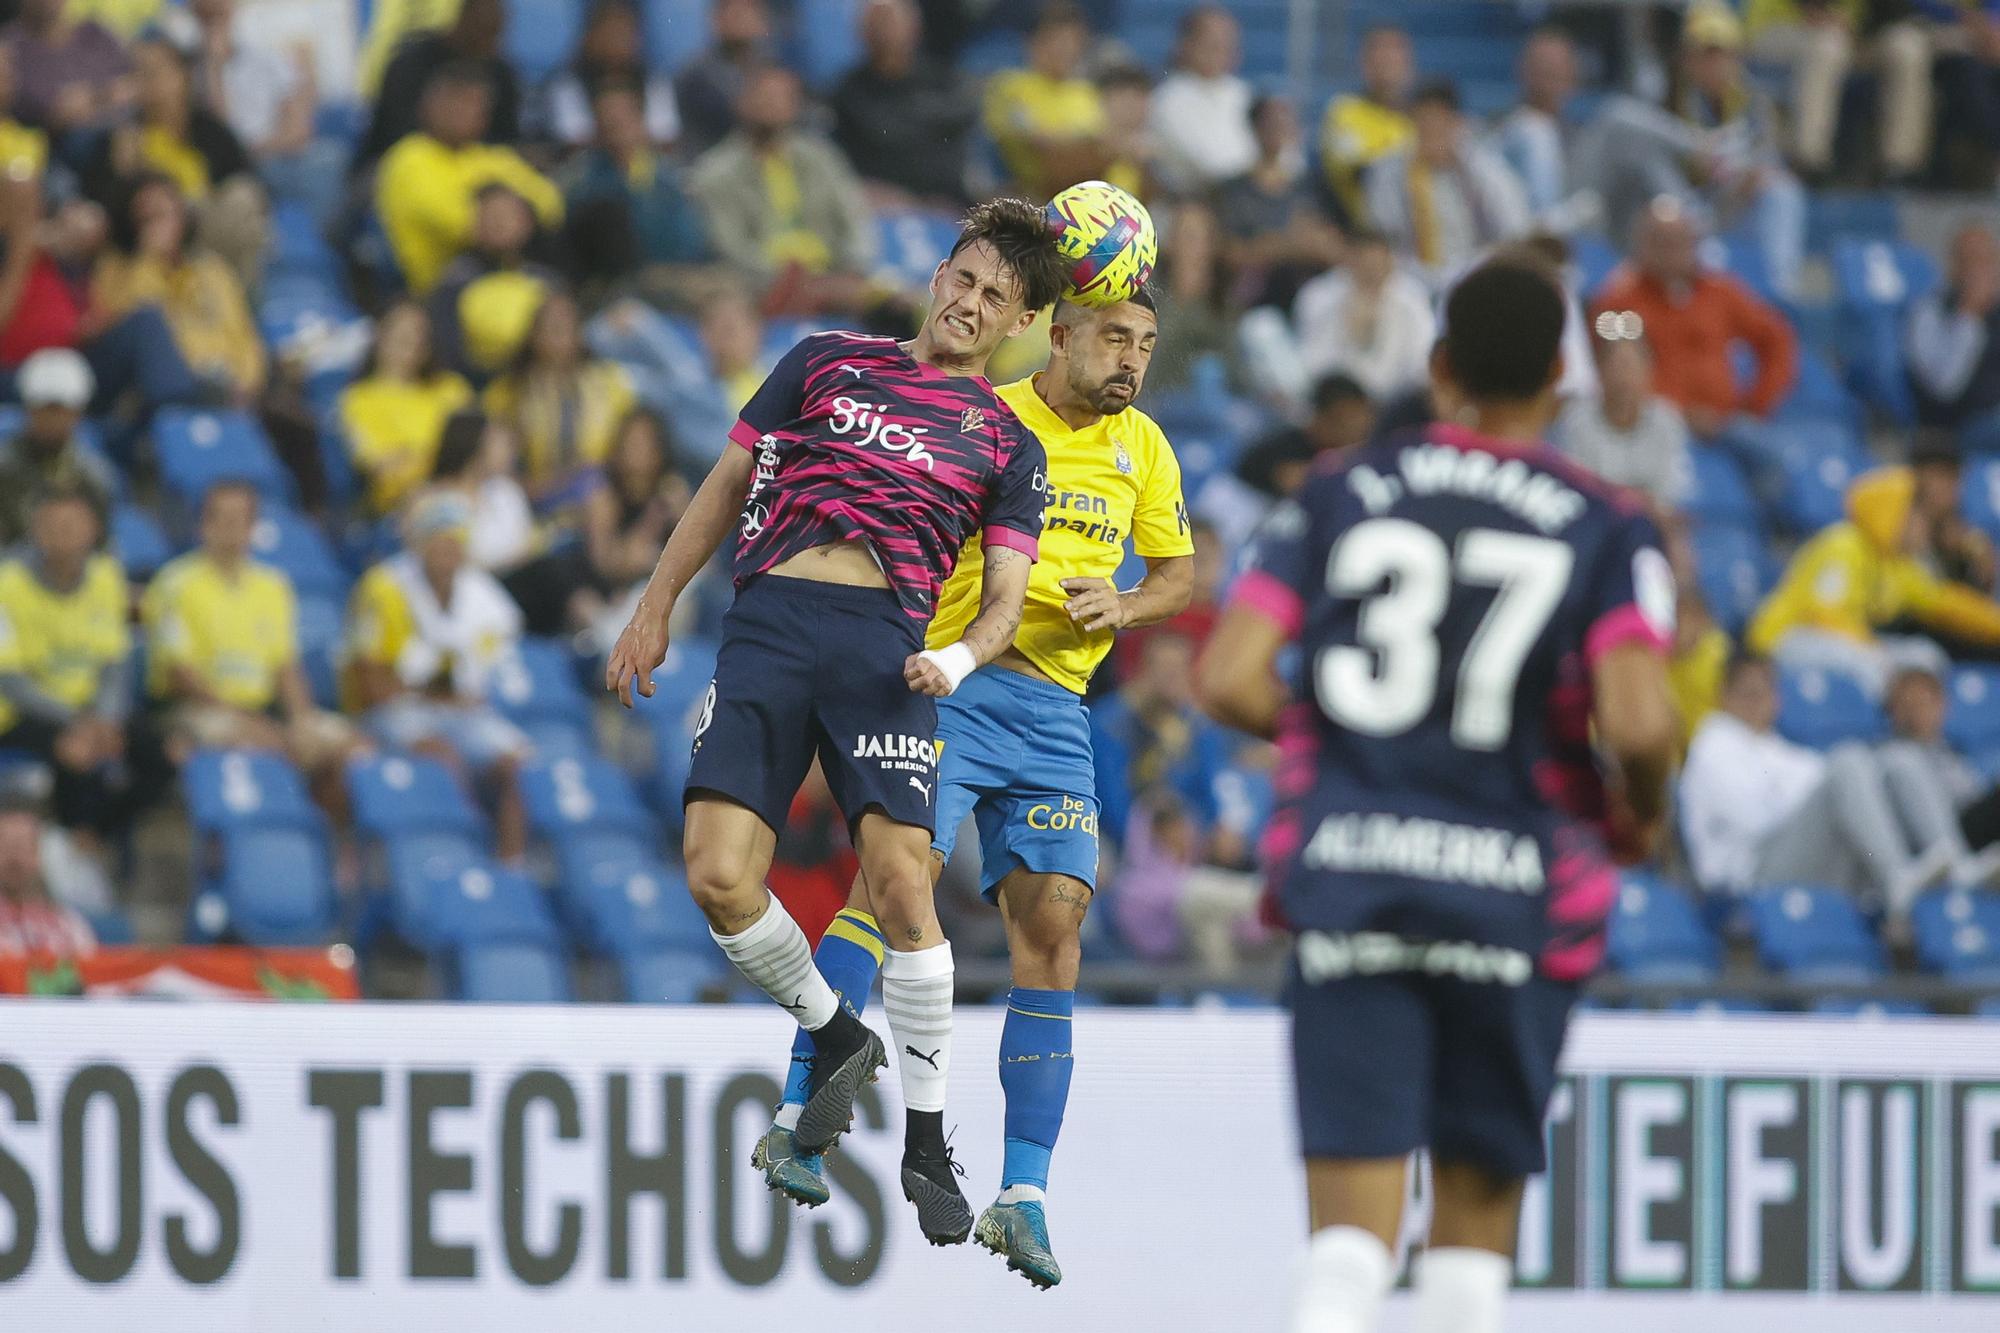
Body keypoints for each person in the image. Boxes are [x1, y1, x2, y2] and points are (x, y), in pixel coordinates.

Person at [1194, 257, 1678, 1333]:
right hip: (1515, 891)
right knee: (1469, 1250)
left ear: (1439, 365)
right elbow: (1640, 722)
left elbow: (1225, 676)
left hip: (1356, 876)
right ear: (1561, 374)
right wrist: (1636, 807)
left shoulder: (1334, 489)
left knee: (1344, 1247)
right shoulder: (1602, 522)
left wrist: (1338, 729)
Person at [604, 198, 1064, 1248]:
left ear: (1016, 323)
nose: (968, 302)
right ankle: (837, 1031)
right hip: (767, 626)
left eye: (995, 297)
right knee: (716, 876)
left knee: (905, 887)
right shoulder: (821, 359)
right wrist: (654, 602)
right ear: (937, 273)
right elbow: (726, 482)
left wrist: (957, 656)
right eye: (962, 278)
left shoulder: (1006, 441)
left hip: (884, 651)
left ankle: (926, 1137)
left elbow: (1004, 596)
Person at [749, 289, 1193, 1285]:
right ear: (1062, 335)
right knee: (893, 887)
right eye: (1114, 338)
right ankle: (794, 1122)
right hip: (948, 682)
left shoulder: (1145, 448)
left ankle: (1022, 1194)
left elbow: (1179, 573)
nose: (1130, 360)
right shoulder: (987, 418)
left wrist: (1120, 600)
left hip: (1056, 711)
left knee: (1057, 930)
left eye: (1146, 345)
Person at [1680, 651, 1973, 920]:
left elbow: (1823, 791)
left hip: (1807, 862)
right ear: (1725, 696)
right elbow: (1756, 821)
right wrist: (1814, 799)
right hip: (1751, 878)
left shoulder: (1778, 747)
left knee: (1899, 760)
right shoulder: (1713, 742)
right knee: (1848, 761)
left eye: (1765, 691)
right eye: (1748, 692)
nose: (1758, 700)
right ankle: (1895, 877)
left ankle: (1958, 866)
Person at [343, 489, 532, 862]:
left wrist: (434, 690)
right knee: (443, 758)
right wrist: (430, 691)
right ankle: (463, 858)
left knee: (517, 764)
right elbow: (371, 685)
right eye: (437, 542)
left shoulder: (481, 595)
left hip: (454, 710)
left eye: (453, 543)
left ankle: (510, 871)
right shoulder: (385, 588)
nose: (446, 553)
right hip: (394, 712)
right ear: (420, 544)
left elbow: (482, 683)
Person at [1587, 4, 1808, 300]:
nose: (1713, 64)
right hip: (1666, 210)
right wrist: (1696, 150)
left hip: (1723, 205)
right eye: (1704, 53)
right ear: (1686, 58)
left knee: (1783, 192)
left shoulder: (1754, 105)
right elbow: (1629, 136)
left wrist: (1749, 178)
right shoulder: (1663, 95)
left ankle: (1780, 291)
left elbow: (1765, 163)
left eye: (1722, 54)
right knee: (1656, 171)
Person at [141, 480, 358, 776]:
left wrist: (302, 720)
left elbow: (286, 667)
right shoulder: (174, 583)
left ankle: (317, 821)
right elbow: (181, 676)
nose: (233, 527)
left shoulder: (273, 586)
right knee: (254, 742)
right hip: (195, 709)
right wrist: (249, 722)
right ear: (203, 525)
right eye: (223, 518)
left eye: (242, 519)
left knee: (352, 747)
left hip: (263, 709)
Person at [0, 487, 172, 840]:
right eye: (55, 524)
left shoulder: (107, 578)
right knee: (75, 750)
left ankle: (94, 837)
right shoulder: (7, 583)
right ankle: (69, 841)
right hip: (23, 714)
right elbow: (11, 682)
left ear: (93, 529)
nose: (65, 533)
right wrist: (80, 722)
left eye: (74, 524)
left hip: (90, 709)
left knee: (162, 756)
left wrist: (105, 719)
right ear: (36, 529)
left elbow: (116, 662)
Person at [1749, 453, 2000, 693]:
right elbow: (1824, 615)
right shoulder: (1844, 543)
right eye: (1920, 517)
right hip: (1783, 639)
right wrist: (1874, 648)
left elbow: (1947, 604)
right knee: (1871, 663)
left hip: (1845, 643)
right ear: (1894, 513)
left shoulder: (1899, 566)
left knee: (1926, 655)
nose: (1926, 529)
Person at [1591, 198, 1797, 438]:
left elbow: (1776, 339)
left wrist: (1755, 405)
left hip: (1725, 426)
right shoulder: (1621, 301)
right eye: (1660, 242)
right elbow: (1611, 367)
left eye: (1679, 241)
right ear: (1641, 245)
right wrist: (1672, 413)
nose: (1670, 252)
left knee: (1775, 460)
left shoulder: (1722, 293)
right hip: (1649, 429)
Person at [687, 63, 877, 314]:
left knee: (905, 302)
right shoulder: (713, 173)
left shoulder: (822, 159)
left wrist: (853, 267)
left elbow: (855, 219)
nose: (771, 105)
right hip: (759, 286)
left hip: (832, 277)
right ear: (741, 103)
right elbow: (728, 247)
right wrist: (790, 280)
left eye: (781, 98)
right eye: (763, 97)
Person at [82, 32, 265, 286]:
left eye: (156, 71)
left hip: (206, 229)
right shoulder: (122, 137)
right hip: (150, 234)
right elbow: (107, 210)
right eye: (140, 73)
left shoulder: (211, 131)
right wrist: (126, 169)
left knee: (243, 199)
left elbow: (244, 182)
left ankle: (236, 305)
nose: (149, 82)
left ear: (184, 75)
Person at [375, 61, 562, 296]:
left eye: (474, 104)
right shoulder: (409, 158)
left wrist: (511, 217)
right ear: (430, 104)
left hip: (513, 282)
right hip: (442, 290)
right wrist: (506, 217)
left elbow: (551, 202)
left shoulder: (493, 157)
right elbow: (455, 222)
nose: (465, 112)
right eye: (457, 102)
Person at [92, 173, 264, 403]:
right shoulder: (114, 269)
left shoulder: (213, 270)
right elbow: (133, 324)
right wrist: (149, 258)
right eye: (149, 218)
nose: (161, 226)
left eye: (167, 213)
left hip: (230, 389)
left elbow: (242, 335)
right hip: (162, 391)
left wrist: (246, 384)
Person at [560, 75, 713, 302]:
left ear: (641, 119)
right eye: (606, 116)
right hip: (610, 285)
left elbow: (691, 242)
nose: (615, 123)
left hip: (670, 276)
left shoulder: (672, 178)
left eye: (623, 115)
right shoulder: (580, 180)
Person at [481, 289, 636, 510]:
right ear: (534, 335)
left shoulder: (609, 382)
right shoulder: (510, 392)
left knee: (597, 489)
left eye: (567, 325)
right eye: (551, 326)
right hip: (536, 490)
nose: (560, 333)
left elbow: (630, 444)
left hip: (602, 484)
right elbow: (495, 460)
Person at [1744, 0, 1932, 183]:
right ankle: (1810, 159)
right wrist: (1824, 14)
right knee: (1826, 48)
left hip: (1850, 35)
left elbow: (1894, 13)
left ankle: (1900, 164)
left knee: (1907, 47)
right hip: (1783, 25)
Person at [1366, 80, 1532, 285]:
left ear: (1457, 124)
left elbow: (1514, 231)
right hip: (1410, 280)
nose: (1431, 134)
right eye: (1423, 124)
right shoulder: (1389, 174)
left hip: (1478, 278)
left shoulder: (1488, 172)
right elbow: (1382, 240)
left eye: (1438, 124)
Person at [829, 0, 977, 208]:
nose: (884, 31)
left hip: (945, 203)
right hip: (880, 205)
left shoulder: (944, 81)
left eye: (891, 21)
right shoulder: (848, 91)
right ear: (861, 33)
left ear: (915, 28)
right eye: (877, 22)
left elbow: (962, 120)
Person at [339, 299, 474, 515]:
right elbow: (382, 469)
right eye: (402, 331)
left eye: (420, 333)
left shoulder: (451, 388)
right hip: (405, 505)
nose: (413, 339)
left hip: (469, 490)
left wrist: (411, 454)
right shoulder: (358, 399)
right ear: (381, 335)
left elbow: (480, 446)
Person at [354, 0, 519, 174]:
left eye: (494, 33)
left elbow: (508, 137)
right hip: (394, 164)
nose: (486, 41)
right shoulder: (412, 63)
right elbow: (398, 134)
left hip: (475, 167)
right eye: (480, 29)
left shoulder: (500, 71)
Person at [1217, 95, 1346, 312]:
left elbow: (1338, 247)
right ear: (1254, 128)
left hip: (1311, 302)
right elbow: (1228, 253)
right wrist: (1291, 244)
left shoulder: (1312, 186)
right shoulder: (1234, 190)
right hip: (1255, 305)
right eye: (1271, 123)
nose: (1278, 129)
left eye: (1285, 122)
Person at [1554, 317, 1692, 517]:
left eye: (1632, 365)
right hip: (1595, 521)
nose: (1624, 375)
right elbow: (1576, 490)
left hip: (1650, 520)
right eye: (1617, 365)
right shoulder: (1576, 421)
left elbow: (1675, 491)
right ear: (1600, 371)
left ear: (1649, 370)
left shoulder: (1667, 420)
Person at [427, 183, 562, 380]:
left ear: (526, 223)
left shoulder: (548, 281)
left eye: (507, 216)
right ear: (475, 226)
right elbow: (449, 352)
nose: (500, 224)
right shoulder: (455, 281)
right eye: (491, 217)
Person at [1291, 228, 1436, 402]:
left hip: (1398, 401)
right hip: (1338, 401)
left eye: (1378, 266)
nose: (1372, 275)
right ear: (1349, 262)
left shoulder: (1411, 296)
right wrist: (1349, 328)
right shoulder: (1317, 297)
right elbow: (1311, 365)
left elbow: (1422, 362)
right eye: (1365, 267)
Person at [982, 2, 1108, 200]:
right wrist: (1079, 144)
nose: (1067, 50)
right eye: (1059, 41)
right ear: (1034, 43)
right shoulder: (1010, 86)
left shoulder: (1085, 93)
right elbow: (1037, 143)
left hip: (1083, 195)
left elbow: (1100, 146)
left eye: (1074, 42)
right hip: (1022, 194)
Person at [0, 349, 111, 545]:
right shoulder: (4, 469)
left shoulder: (93, 477)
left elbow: (101, 550)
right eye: (44, 409)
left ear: (78, 413)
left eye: (61, 411)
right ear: (28, 410)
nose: (52, 420)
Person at [1489, 26, 1596, 231]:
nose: (1548, 75)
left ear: (1573, 75)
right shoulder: (1500, 131)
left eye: (1556, 68)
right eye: (1541, 67)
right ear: (1523, 70)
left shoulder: (1583, 138)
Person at [536, 0, 678, 150]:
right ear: (590, 35)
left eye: (624, 32)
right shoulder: (567, 82)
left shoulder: (653, 80)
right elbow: (572, 138)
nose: (617, 40)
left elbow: (665, 136)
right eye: (610, 32)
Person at [1149, 5, 1256, 193]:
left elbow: (1286, 161)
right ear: (1186, 44)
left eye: (1228, 43)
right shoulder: (1168, 100)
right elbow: (1211, 164)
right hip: (1195, 202)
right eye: (1212, 43)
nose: (1221, 51)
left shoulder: (1243, 94)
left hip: (1249, 199)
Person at [1909, 223, 2000, 432]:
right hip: (1966, 423)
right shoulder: (1930, 312)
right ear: (1954, 266)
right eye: (1971, 261)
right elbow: (1945, 386)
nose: (1979, 271)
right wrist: (1969, 316)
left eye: (1986, 261)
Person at [1322, 24, 1416, 219]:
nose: (1386, 63)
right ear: (1363, 62)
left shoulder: (1421, 119)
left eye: (1394, 55)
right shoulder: (1344, 111)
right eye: (1379, 55)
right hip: (1361, 233)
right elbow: (1356, 172)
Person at [1, 0, 133, 136]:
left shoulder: (97, 35)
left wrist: (98, 96)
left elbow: (136, 83)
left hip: (118, 134)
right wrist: (54, 118)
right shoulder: (8, 48)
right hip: (45, 147)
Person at [0, 794, 96, 958]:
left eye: (23, 847)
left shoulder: (68, 923)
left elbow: (90, 972)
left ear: (38, 854)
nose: (14, 858)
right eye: (6, 846)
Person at [673, 0, 771, 156]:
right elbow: (740, 113)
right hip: (708, 163)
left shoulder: (769, 63)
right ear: (716, 20)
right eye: (737, 15)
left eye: (749, 13)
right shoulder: (696, 72)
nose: (744, 21)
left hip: (756, 163)